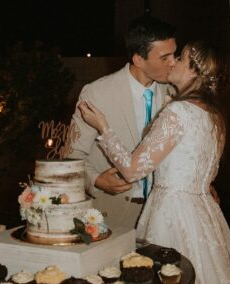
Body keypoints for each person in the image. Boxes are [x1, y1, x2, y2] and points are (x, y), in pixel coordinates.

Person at [78, 41, 230, 283]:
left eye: (180, 58)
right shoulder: (214, 115)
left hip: (172, 213)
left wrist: (103, 127)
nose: (173, 62)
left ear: (193, 71)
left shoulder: (178, 112)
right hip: (204, 213)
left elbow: (132, 170)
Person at [67, 15, 177, 228]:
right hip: (113, 214)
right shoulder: (97, 93)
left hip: (164, 215)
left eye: (175, 54)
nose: (173, 63)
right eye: (165, 58)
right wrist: (97, 180)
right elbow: (71, 156)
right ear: (138, 59)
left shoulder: (175, 91)